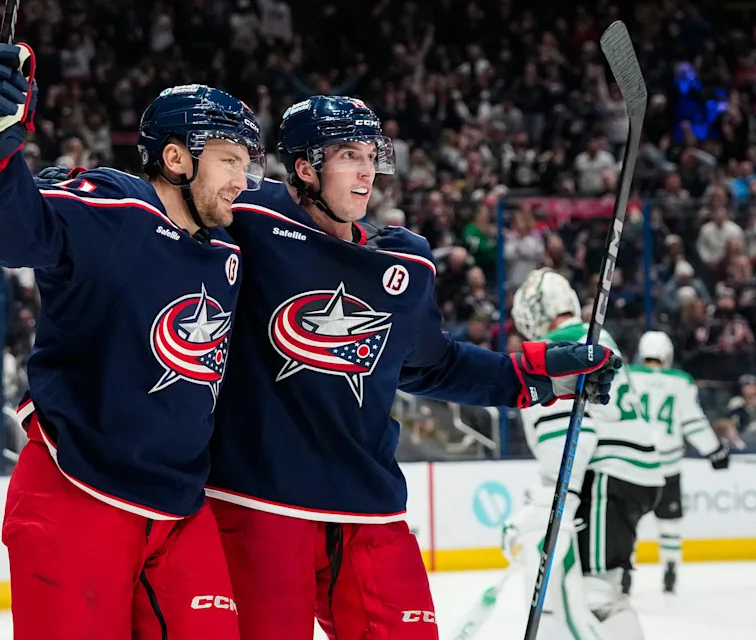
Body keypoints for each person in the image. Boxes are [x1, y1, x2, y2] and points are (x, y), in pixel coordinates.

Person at [205, 96, 620, 640]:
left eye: (371, 154)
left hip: (369, 507)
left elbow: (433, 364)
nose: (365, 170)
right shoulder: (245, 217)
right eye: (348, 154)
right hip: (257, 503)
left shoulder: (405, 260)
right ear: (305, 168)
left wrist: (540, 374)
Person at [0, 43, 264, 639]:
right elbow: (15, 237)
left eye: (245, 162)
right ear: (176, 158)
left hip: (179, 509)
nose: (240, 179)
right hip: (78, 494)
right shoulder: (112, 208)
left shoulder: (226, 250)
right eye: (227, 160)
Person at [504, 268, 663, 640]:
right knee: (605, 584)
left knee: (598, 596)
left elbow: (570, 426)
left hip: (607, 476)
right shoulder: (592, 337)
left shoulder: (558, 349)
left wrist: (558, 497)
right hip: (634, 473)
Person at [628, 330, 730, 594]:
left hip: (634, 464)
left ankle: (625, 570)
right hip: (668, 467)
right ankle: (670, 567)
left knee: (628, 521)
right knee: (669, 522)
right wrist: (714, 451)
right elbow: (693, 422)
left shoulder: (628, 376)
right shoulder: (681, 381)